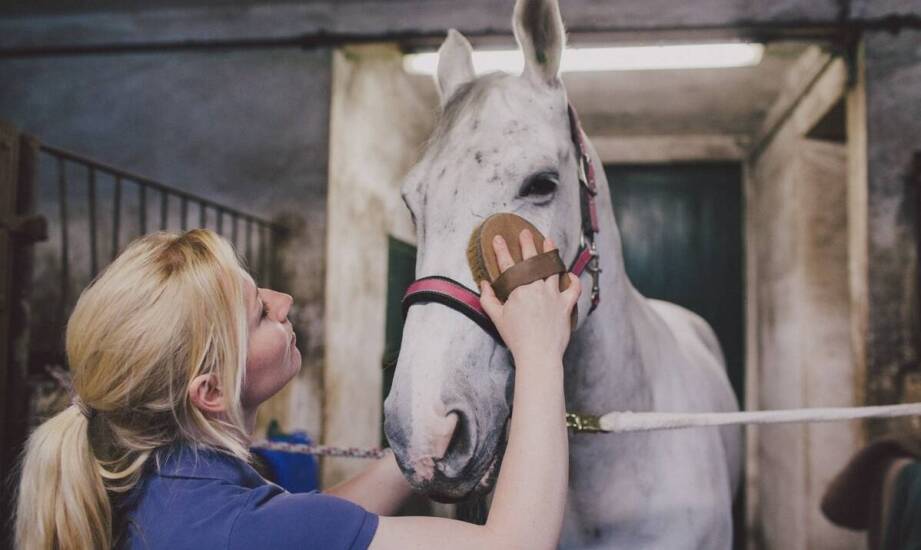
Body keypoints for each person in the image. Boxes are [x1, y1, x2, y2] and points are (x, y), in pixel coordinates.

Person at [14, 227, 580, 549]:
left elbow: (311, 524)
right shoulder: (243, 530)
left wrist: (408, 453)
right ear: (209, 392)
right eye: (260, 312)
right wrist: (538, 353)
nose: (283, 301)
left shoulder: (157, 489)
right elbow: (516, 545)